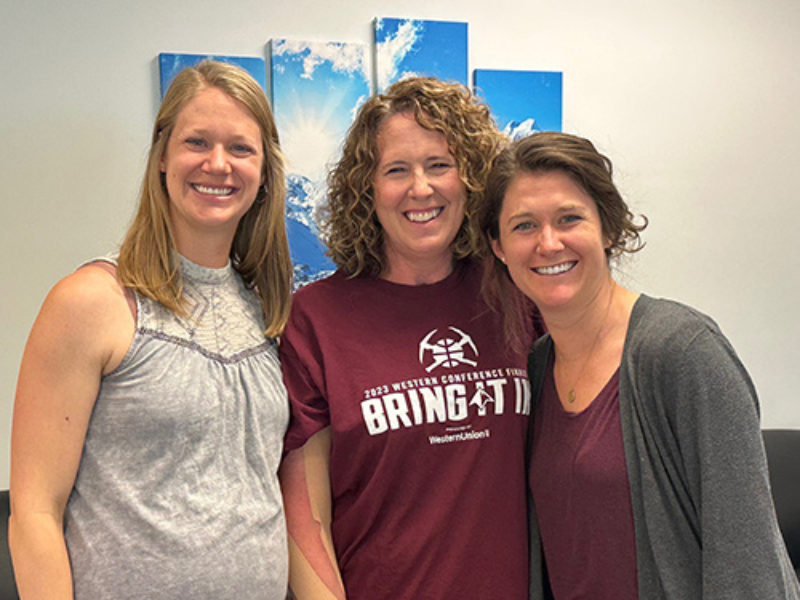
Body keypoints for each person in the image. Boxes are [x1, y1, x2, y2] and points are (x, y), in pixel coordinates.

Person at [9, 60, 293, 599]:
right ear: (162, 156)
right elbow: (34, 513)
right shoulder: (93, 302)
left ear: (264, 172)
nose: (218, 164)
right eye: (197, 142)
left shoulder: (269, 312)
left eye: (240, 148)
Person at [482, 131, 800, 599]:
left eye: (569, 218)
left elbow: (749, 565)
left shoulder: (685, 351)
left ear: (608, 227)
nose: (548, 243)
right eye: (524, 226)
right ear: (499, 248)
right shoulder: (534, 368)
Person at [278, 76, 542, 600]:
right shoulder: (317, 317)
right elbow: (306, 520)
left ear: (470, 178)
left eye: (439, 165)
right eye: (396, 170)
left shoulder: (516, 293)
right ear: (366, 188)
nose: (420, 189)